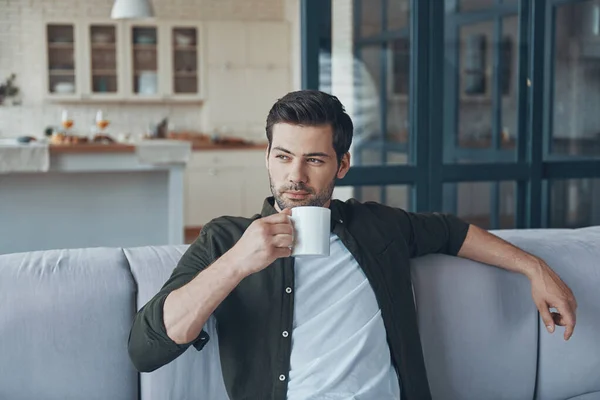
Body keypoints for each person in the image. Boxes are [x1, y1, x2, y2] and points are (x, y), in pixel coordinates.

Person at [128, 90, 577, 400]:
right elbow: (146, 349)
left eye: (314, 159)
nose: (295, 176)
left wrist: (535, 269)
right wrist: (237, 264)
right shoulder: (226, 239)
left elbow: (453, 233)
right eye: (283, 156)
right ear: (267, 157)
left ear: (342, 165)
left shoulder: (377, 227)